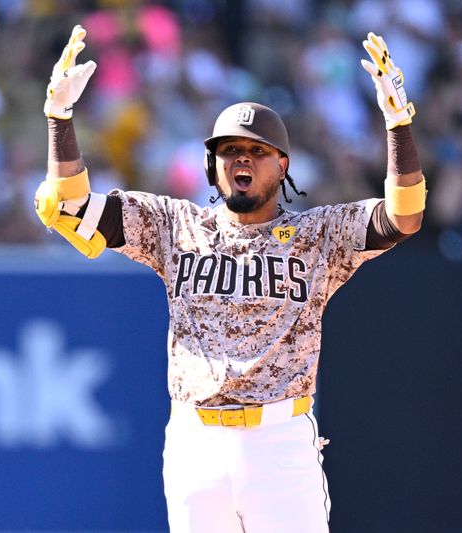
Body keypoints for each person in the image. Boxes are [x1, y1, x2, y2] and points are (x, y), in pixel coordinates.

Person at [34, 25, 425, 533]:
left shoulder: (317, 235)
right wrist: (59, 118)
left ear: (282, 165)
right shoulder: (175, 226)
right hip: (197, 441)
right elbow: (67, 206)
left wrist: (398, 125)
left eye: (257, 151)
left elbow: (404, 216)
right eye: (229, 149)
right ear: (211, 165)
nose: (241, 157)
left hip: (281, 442)